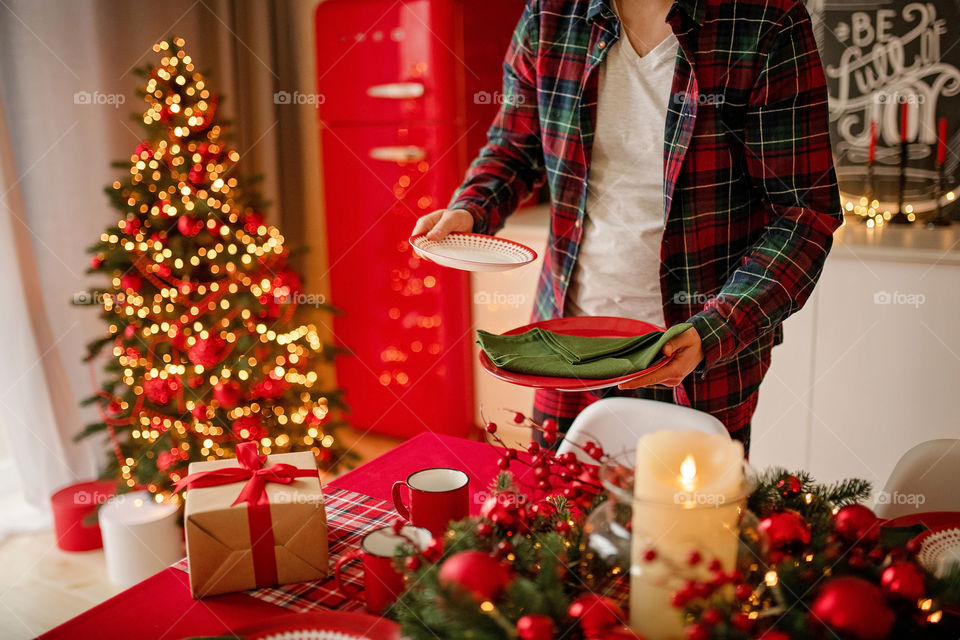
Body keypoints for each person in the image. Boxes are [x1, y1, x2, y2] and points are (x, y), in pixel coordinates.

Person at [411, 0, 842, 452]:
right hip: (566, 347)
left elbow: (803, 213)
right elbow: (515, 148)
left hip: (696, 354)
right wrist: (469, 210)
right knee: (554, 512)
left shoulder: (768, 20)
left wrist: (714, 330)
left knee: (688, 519)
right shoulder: (550, 14)